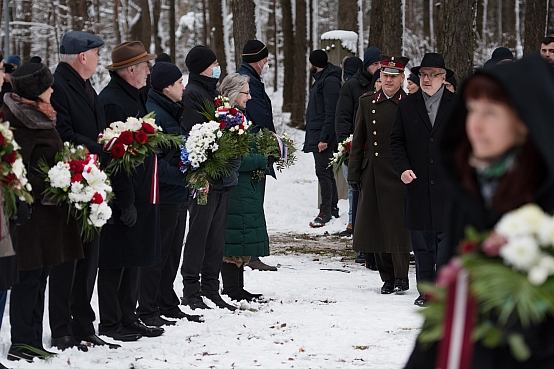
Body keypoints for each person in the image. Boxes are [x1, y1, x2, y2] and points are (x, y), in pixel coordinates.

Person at [405, 55, 554, 369]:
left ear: (525, 121)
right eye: (472, 110)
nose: (475, 124)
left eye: (491, 112)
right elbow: (446, 309)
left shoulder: (546, 198)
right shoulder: (472, 190)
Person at [4, 63, 84, 362]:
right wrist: (56, 178)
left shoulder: (41, 116)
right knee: (28, 279)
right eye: (47, 87)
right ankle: (21, 341)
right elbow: (19, 169)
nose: (52, 90)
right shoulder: (19, 123)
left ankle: (33, 338)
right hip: (31, 215)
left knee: (40, 277)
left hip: (48, 214)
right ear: (36, 93)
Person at [48, 30, 119, 351]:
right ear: (82, 56)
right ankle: (62, 328)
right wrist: (101, 147)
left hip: (92, 179)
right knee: (68, 261)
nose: (100, 59)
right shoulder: (59, 86)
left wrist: (109, 142)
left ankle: (83, 324)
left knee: (89, 258)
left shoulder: (86, 85)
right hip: (71, 182)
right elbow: (62, 132)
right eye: (97, 53)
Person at [97, 41, 163, 342]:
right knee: (116, 260)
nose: (149, 71)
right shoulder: (113, 101)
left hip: (139, 191)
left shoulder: (133, 96)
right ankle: (111, 322)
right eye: (144, 66)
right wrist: (124, 199)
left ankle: (128, 315)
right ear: (130, 70)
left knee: (133, 257)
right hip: (124, 194)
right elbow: (114, 155)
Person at [390, 53, 456, 306]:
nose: (427, 79)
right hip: (416, 182)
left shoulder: (458, 105)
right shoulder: (407, 105)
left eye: (432, 75)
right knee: (422, 243)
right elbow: (396, 140)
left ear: (443, 77)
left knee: (446, 242)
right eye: (423, 74)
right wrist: (403, 168)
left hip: (447, 185)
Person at [139, 62, 203, 325]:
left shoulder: (172, 109)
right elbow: (156, 162)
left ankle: (166, 299)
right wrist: (184, 176)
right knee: (159, 254)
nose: (184, 87)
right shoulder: (155, 114)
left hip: (177, 194)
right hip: (164, 194)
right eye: (179, 83)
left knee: (172, 253)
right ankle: (147, 306)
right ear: (166, 87)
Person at [180, 45, 239, 311]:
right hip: (205, 175)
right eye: (214, 63)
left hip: (221, 175)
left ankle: (210, 288)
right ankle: (191, 289)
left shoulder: (211, 90)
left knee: (216, 237)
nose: (218, 66)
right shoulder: (193, 94)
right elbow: (197, 133)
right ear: (202, 66)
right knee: (199, 234)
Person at [348, 55, 412, 294]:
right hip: (373, 170)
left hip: (399, 171)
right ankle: (386, 277)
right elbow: (359, 139)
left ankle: (401, 276)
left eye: (394, 77)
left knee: (398, 227)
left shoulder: (409, 103)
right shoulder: (367, 102)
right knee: (375, 224)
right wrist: (354, 172)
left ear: (402, 78)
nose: (388, 80)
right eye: (385, 76)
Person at [219, 73, 267, 301]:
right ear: (233, 93)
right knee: (234, 237)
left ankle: (238, 286)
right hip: (235, 187)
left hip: (243, 187)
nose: (249, 97)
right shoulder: (227, 118)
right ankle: (231, 288)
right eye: (245, 93)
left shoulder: (240, 116)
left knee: (242, 235)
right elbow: (234, 157)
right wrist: (260, 159)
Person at [237, 40, 277, 271]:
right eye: (265, 59)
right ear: (260, 60)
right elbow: (260, 116)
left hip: (254, 146)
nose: (266, 64)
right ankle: (249, 254)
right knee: (252, 200)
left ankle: (248, 253)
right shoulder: (249, 81)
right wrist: (271, 142)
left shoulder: (248, 77)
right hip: (255, 147)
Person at [335, 46, 382, 241]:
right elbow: (343, 117)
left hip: (377, 147)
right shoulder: (352, 86)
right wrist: (346, 144)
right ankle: (355, 226)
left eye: (380, 63)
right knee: (356, 189)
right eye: (374, 64)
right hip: (355, 144)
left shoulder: (384, 84)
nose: (378, 67)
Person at [304, 49, 341, 228]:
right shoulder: (322, 80)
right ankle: (332, 208)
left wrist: (324, 137)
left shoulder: (329, 82)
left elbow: (331, 112)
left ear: (314, 64)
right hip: (318, 133)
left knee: (323, 173)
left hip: (322, 136)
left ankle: (325, 210)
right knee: (326, 172)